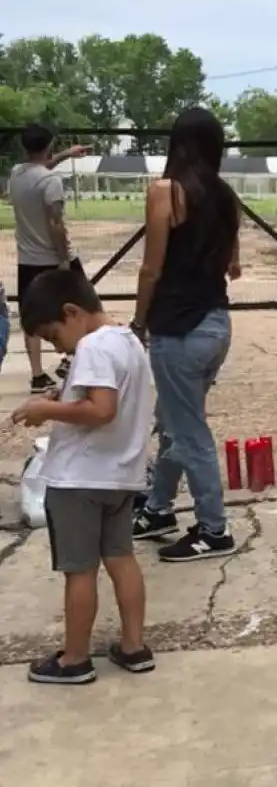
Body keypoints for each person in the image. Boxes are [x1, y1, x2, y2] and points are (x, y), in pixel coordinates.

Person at [12, 269, 155, 685]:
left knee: (80, 570)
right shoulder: (129, 341)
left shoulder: (92, 346)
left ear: (72, 312)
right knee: (122, 559)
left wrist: (45, 410)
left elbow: (101, 410)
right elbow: (108, 399)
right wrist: (64, 396)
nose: (58, 347)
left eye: (53, 335)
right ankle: (134, 647)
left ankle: (74, 658)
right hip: (121, 476)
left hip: (79, 479)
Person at [128, 107, 242, 562]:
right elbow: (233, 265)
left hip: (177, 330)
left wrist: (138, 323)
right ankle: (158, 508)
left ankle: (214, 529)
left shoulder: (166, 192)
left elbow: (151, 269)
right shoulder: (226, 196)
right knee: (174, 420)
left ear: (176, 144)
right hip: (215, 325)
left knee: (188, 432)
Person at [8, 124, 90, 393]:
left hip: (27, 259)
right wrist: (64, 259)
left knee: (31, 316)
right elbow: (56, 223)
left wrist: (66, 154)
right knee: (83, 308)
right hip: (52, 257)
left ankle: (37, 375)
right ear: (49, 145)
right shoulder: (51, 181)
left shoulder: (17, 174)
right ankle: (72, 358)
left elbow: (39, 168)